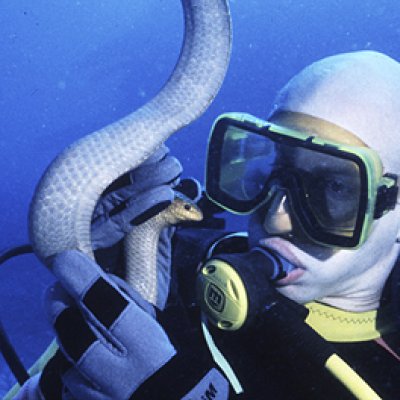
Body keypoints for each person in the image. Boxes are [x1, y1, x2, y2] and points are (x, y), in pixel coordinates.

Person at [8, 50, 400, 399]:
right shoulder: (177, 277)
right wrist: (60, 384)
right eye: (274, 170)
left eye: (335, 187)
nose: (277, 218)